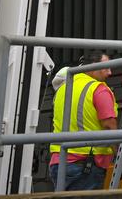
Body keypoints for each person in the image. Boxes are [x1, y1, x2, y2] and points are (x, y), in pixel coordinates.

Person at [50, 52, 118, 191]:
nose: (110, 73)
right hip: (85, 165)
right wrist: (119, 157)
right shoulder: (98, 89)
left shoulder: (63, 88)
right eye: (106, 67)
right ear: (93, 66)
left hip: (58, 162)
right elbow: (109, 126)